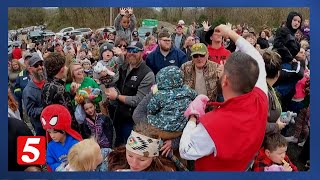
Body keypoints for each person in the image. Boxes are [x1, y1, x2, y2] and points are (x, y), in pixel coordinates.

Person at [179, 24, 268, 171]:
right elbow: (257, 58)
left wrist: (194, 116)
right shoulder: (261, 99)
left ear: (225, 80)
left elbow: (186, 150)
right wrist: (231, 33)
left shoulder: (212, 124)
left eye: (222, 70)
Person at [105, 41, 155, 146]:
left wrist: (117, 96)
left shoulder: (147, 74)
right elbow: (113, 82)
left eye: (135, 50)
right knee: (117, 146)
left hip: (133, 120)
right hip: (118, 115)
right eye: (129, 50)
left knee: (130, 149)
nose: (131, 53)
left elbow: (139, 100)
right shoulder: (123, 66)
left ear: (142, 53)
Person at [147, 66, 197, 139]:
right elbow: (196, 96)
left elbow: (150, 109)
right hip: (181, 127)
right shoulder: (187, 91)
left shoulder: (160, 95)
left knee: (149, 117)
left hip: (163, 127)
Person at [108, 123, 176, 171]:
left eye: (142, 159)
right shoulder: (114, 159)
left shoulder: (165, 172)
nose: (134, 164)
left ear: (154, 157)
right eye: (130, 155)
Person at [42, 52, 80, 132]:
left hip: (53, 128)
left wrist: (71, 94)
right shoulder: (59, 88)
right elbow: (68, 114)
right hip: (65, 131)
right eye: (65, 66)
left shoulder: (46, 85)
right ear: (61, 69)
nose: (66, 68)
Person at [40, 104, 83, 172]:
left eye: (55, 132)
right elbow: (50, 162)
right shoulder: (50, 146)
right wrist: (59, 168)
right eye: (49, 132)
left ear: (63, 130)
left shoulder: (75, 143)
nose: (52, 136)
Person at [262, 50, 287, 135]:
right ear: (278, 73)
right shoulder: (263, 93)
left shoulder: (265, 86)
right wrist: (277, 126)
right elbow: (259, 125)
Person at [23, 54, 47, 136]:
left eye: (41, 64)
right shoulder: (28, 90)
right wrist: (46, 108)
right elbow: (30, 111)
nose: (40, 67)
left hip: (56, 125)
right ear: (30, 69)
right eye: (36, 65)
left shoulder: (50, 82)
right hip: (42, 128)